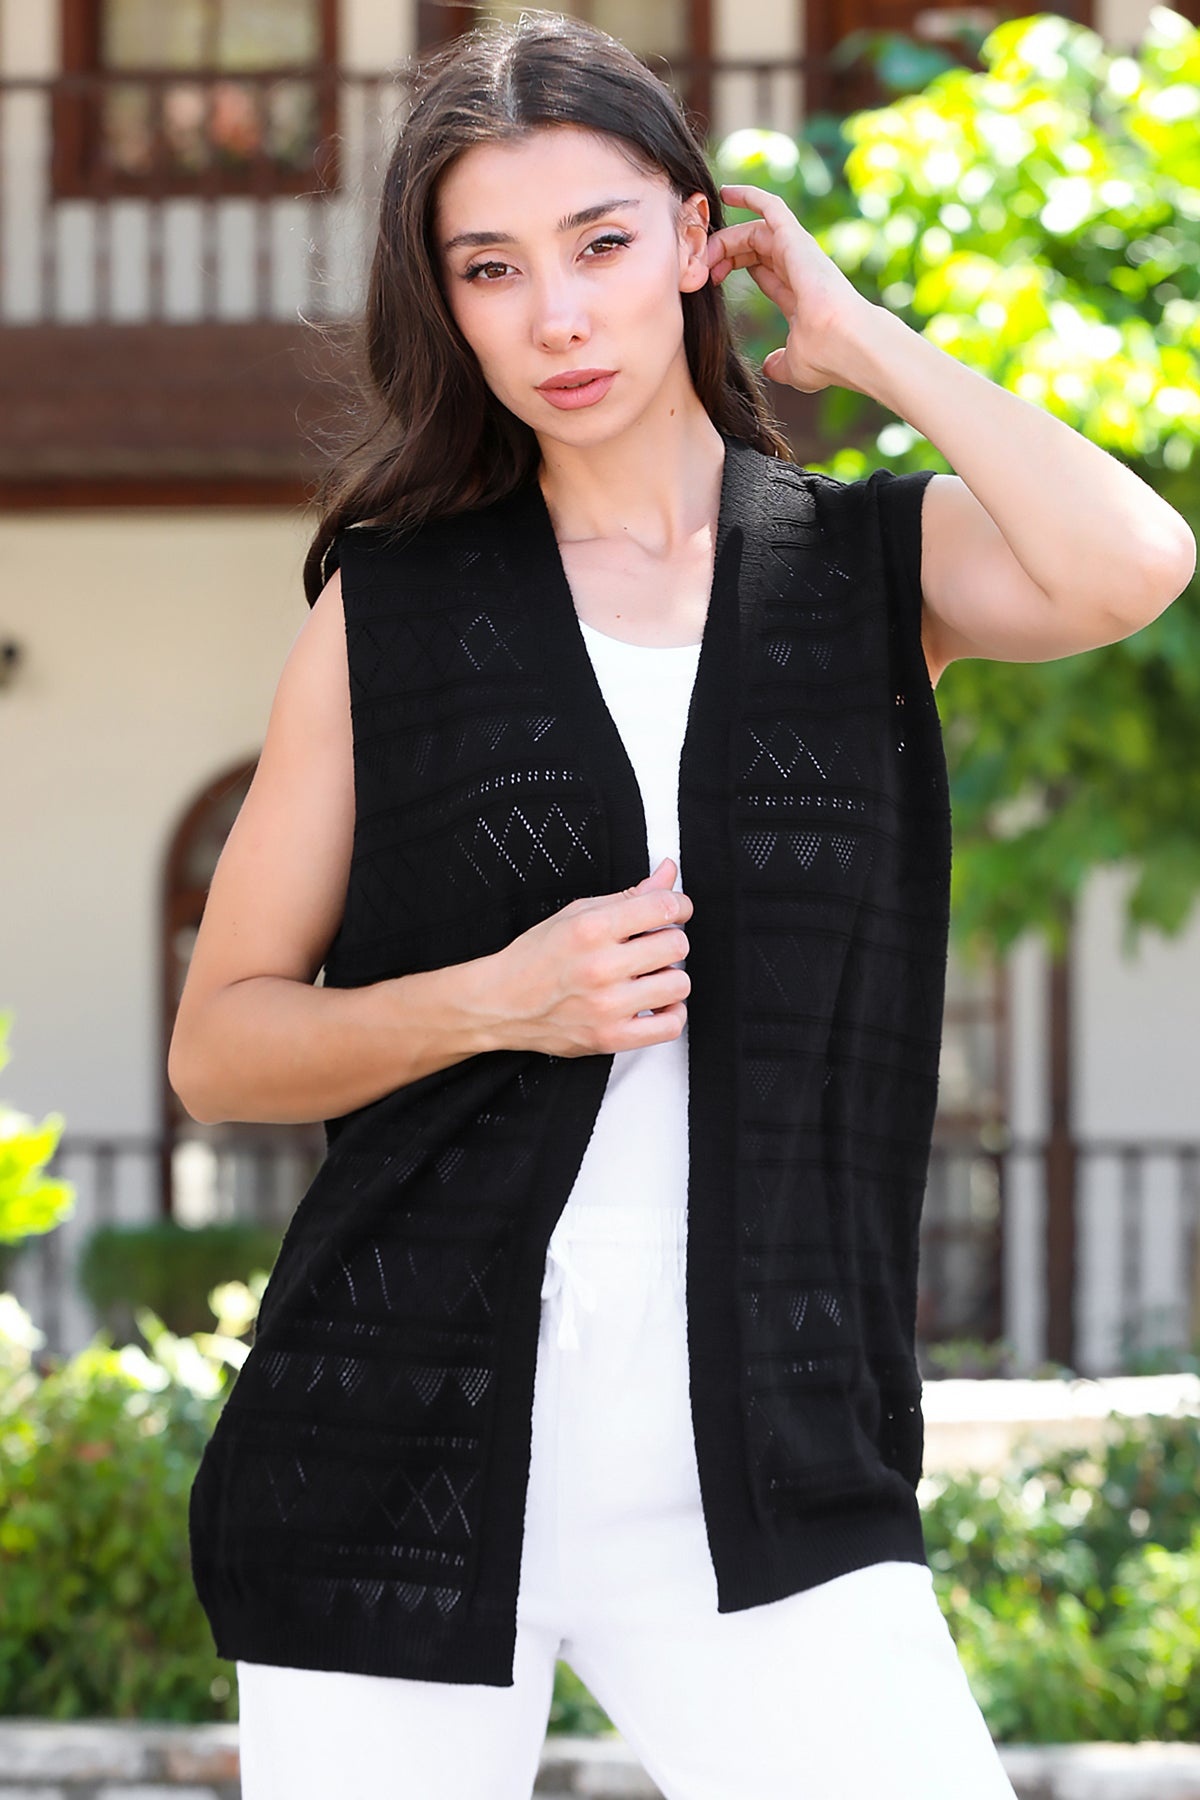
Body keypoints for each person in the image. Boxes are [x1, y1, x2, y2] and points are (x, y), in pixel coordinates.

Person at [169, 11, 1195, 1799]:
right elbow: (221, 1045)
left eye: (601, 244)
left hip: (769, 1438)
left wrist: (860, 340)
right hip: (398, 1428)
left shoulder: (864, 570)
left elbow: (1134, 562)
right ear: (448, 306)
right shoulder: (391, 614)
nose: (557, 316)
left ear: (697, 242)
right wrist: (500, 999)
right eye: (492, 269)